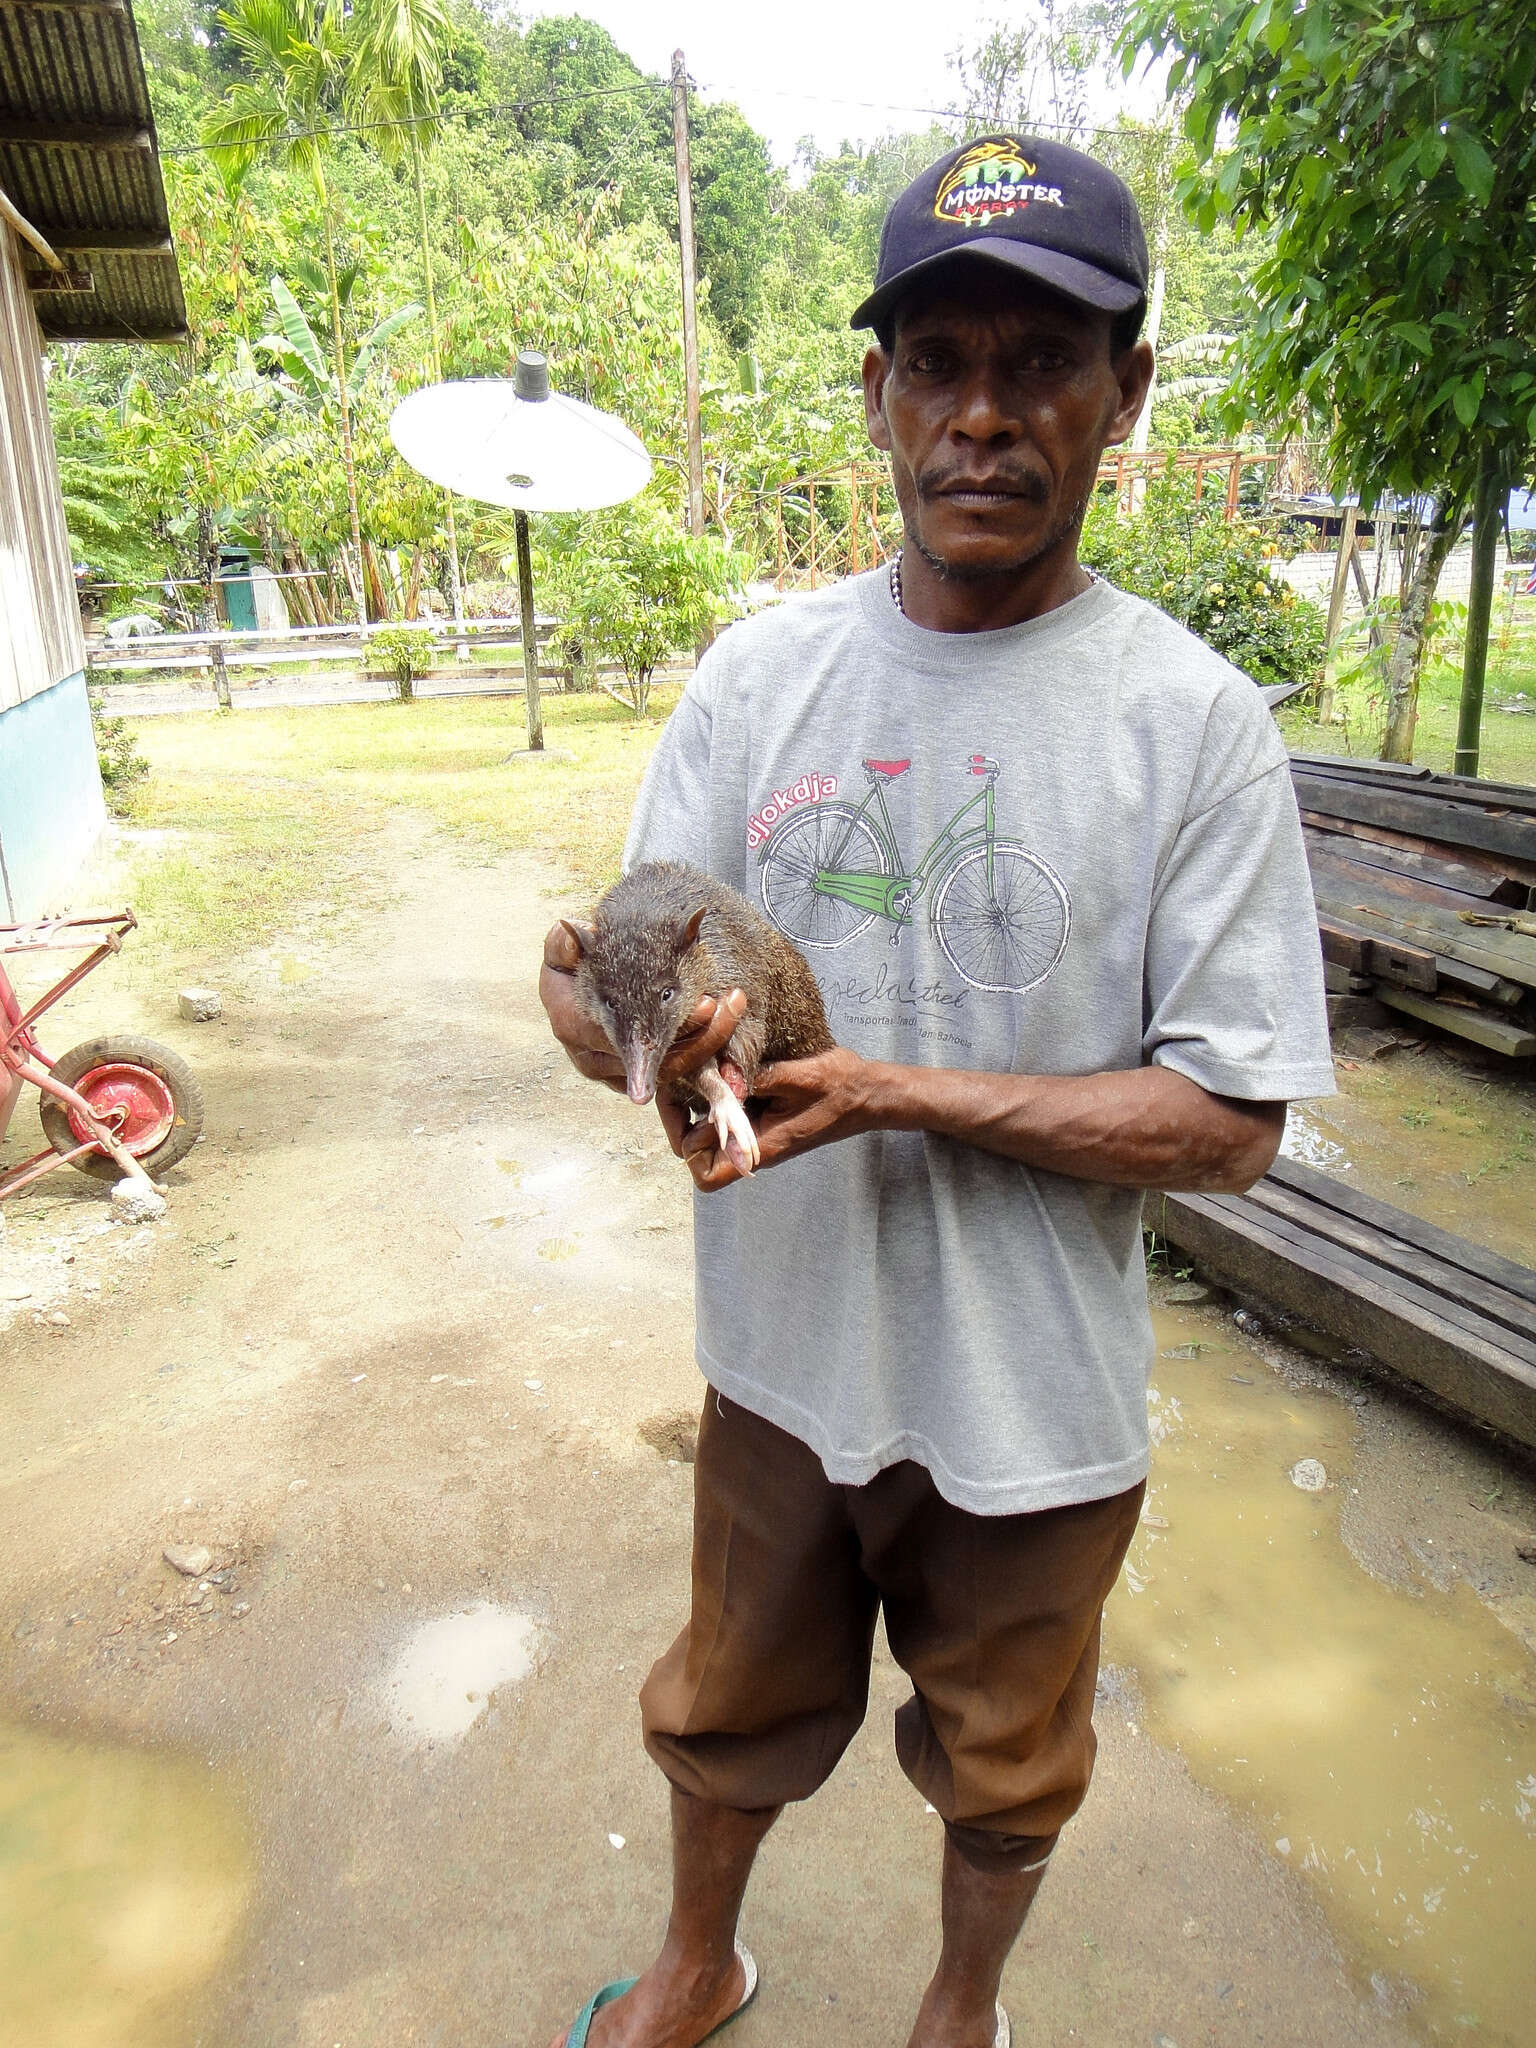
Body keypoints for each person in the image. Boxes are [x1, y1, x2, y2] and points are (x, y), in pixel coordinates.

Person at [538, 133, 1335, 2048]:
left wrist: (894, 1090)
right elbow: (624, 982)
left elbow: (1230, 1127)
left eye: (1042, 363)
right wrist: (604, 1024)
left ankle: (959, 2010)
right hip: (788, 1359)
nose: (986, 417)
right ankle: (698, 1963)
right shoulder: (757, 681)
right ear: (880, 393)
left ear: (1123, 393)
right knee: (727, 1708)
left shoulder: (1195, 730)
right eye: (941, 364)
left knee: (1005, 1766)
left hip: (1035, 1402)